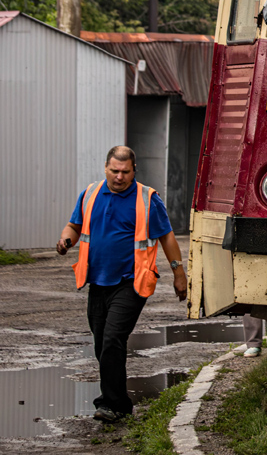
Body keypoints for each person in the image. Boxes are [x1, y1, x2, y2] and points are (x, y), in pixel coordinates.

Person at [57, 147, 187, 423]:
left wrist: (179, 274)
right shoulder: (90, 194)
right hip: (97, 281)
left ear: (133, 170)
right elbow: (74, 226)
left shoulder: (147, 199)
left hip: (131, 282)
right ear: (105, 168)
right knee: (101, 345)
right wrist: (66, 240)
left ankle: (112, 404)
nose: (119, 177)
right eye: (114, 171)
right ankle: (116, 403)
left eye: (125, 172)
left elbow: (167, 237)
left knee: (113, 339)